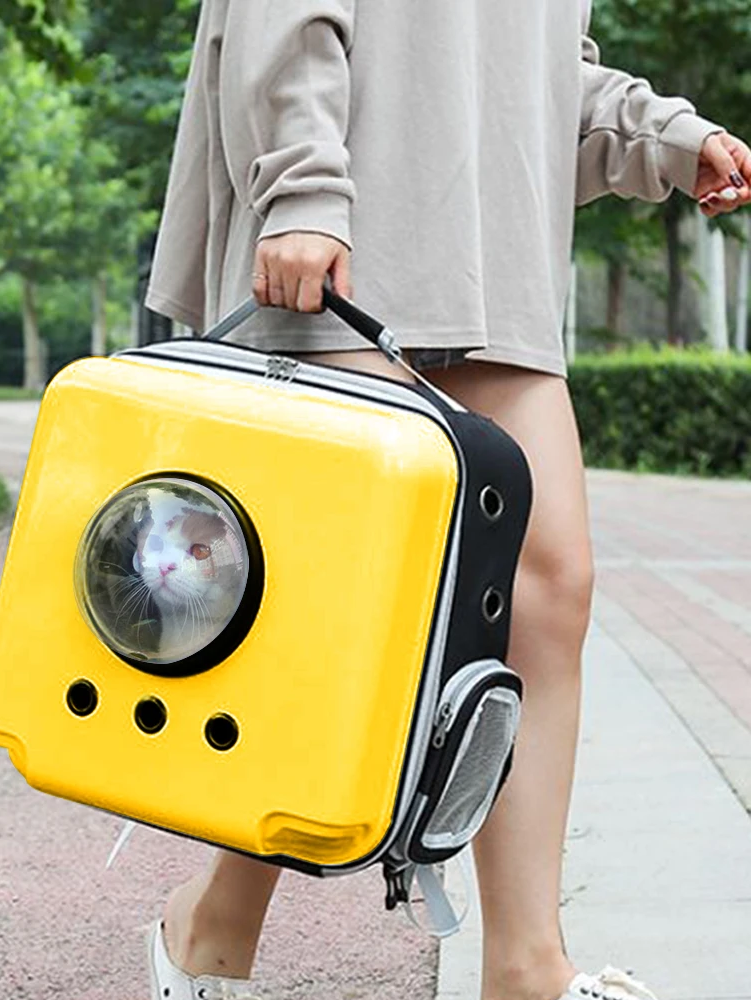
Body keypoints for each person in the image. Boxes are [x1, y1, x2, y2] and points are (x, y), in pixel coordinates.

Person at [143, 2, 751, 999]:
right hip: (339, 242)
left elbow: (535, 76)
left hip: (493, 259)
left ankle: (526, 969)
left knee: (549, 586)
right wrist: (300, 190)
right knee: (339, 616)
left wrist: (664, 138)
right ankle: (212, 925)